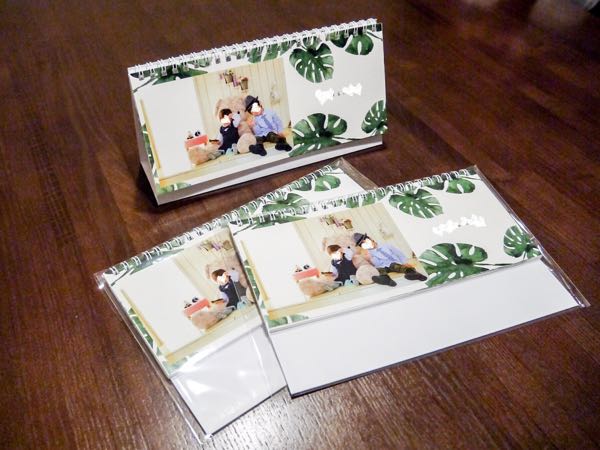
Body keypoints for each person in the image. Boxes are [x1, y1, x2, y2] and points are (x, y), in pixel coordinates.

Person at [353, 233, 427, 282]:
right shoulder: (370, 254)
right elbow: (378, 264)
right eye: (363, 245)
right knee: (378, 270)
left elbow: (398, 253)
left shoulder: (386, 245)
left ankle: (414, 274)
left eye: (366, 242)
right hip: (383, 266)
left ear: (370, 239)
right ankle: (385, 281)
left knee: (395, 266)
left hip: (394, 263)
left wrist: (404, 262)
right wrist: (371, 258)